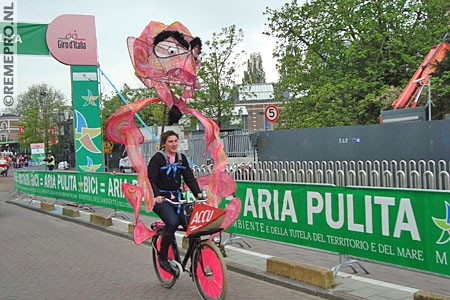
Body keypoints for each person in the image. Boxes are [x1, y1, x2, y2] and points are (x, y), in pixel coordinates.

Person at [148, 130, 203, 275]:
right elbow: (151, 179)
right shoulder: (157, 159)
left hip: (177, 198)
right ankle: (163, 256)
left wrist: (198, 193)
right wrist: (157, 195)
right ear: (164, 143)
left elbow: (189, 177)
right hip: (161, 199)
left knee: (193, 225)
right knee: (172, 223)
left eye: (175, 141)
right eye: (170, 141)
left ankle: (194, 259)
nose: (174, 144)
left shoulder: (181, 158)